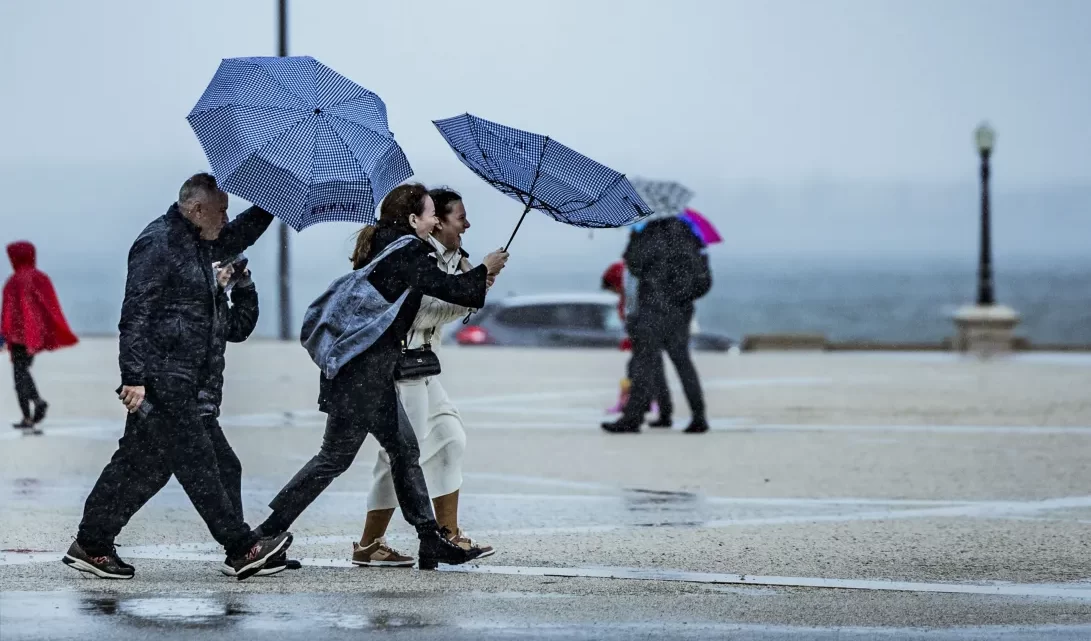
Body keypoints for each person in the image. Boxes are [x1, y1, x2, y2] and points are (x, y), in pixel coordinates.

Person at [260, 182, 509, 570]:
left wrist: (474, 279)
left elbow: (444, 291)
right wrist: (484, 271)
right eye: (429, 214)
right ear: (414, 219)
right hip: (362, 374)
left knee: (404, 451)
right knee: (334, 459)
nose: (432, 221)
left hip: (365, 372)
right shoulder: (407, 251)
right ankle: (262, 537)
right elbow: (446, 288)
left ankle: (430, 539)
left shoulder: (388, 247)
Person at [63, 173, 292, 581]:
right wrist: (133, 376)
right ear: (197, 209)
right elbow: (135, 312)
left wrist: (274, 196)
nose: (227, 217)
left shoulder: (197, 243)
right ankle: (241, 549)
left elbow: (238, 237)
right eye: (221, 210)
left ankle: (92, 543)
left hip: (186, 380)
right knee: (201, 465)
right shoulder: (160, 243)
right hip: (163, 377)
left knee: (145, 466)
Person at [352, 187, 494, 568]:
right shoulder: (412, 256)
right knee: (396, 457)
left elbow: (446, 306)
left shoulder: (447, 258)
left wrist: (473, 284)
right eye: (458, 217)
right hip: (400, 369)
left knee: (450, 440)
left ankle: (448, 535)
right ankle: (369, 543)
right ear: (432, 221)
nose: (466, 224)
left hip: (423, 366)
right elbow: (418, 314)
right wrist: (472, 287)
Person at [200, 259, 302, 578]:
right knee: (224, 468)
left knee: (142, 473)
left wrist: (243, 285)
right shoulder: (187, 288)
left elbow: (238, 328)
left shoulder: (211, 295)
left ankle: (94, 541)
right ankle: (242, 550)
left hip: (196, 401)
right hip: (179, 399)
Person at [602, 215, 711, 434]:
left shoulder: (649, 233)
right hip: (681, 311)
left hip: (652, 308)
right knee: (683, 362)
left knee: (645, 362)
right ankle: (698, 416)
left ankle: (633, 418)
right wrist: (681, 298)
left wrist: (634, 237)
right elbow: (703, 281)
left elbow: (634, 263)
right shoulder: (689, 234)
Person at [3, 241, 79, 432]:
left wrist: (4, 335)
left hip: (18, 336)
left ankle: (33, 408)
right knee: (23, 372)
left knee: (19, 375)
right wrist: (41, 331)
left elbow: (8, 312)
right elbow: (49, 306)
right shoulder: (40, 278)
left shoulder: (14, 282)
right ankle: (31, 413)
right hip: (32, 336)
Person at [601, 259, 669, 424]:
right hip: (643, 329)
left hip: (646, 329)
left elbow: (635, 309)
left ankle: (640, 406)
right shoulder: (628, 290)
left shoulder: (635, 277)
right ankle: (648, 405)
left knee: (642, 368)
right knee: (647, 368)